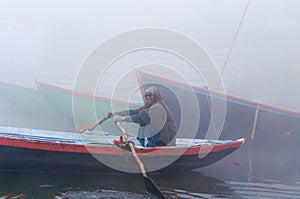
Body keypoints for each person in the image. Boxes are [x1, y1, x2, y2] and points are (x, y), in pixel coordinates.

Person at [107, 87, 177, 147]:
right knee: (142, 115)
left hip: (166, 139)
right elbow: (135, 112)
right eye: (146, 96)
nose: (148, 97)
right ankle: (145, 144)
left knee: (143, 117)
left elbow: (142, 116)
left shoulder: (158, 107)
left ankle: (151, 146)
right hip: (161, 136)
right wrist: (116, 113)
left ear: (155, 96)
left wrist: (123, 119)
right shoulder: (150, 105)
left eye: (150, 95)